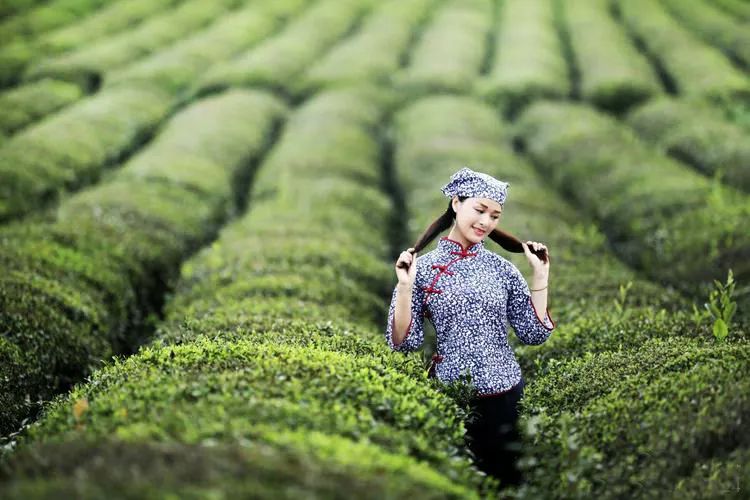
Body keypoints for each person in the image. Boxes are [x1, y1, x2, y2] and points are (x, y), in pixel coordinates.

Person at [385, 166, 556, 489]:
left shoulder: (502, 270)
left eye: (494, 215)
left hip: (507, 397)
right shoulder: (423, 268)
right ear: (456, 203)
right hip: (452, 396)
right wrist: (405, 287)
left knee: (507, 485)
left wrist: (540, 276)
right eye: (479, 210)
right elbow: (404, 342)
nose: (486, 222)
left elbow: (534, 333)